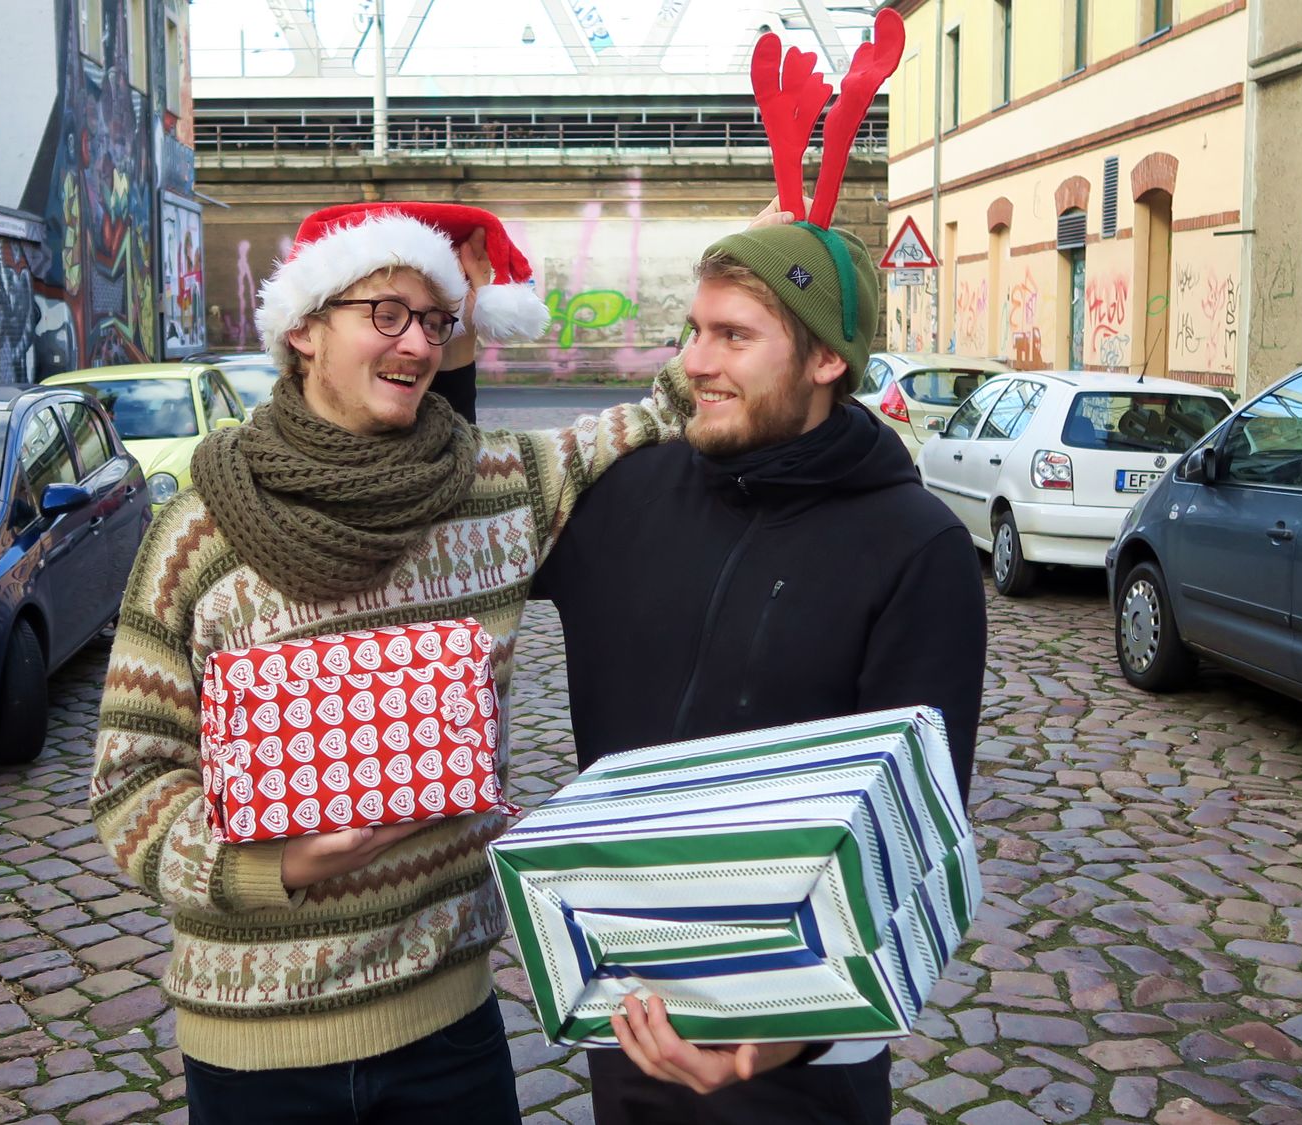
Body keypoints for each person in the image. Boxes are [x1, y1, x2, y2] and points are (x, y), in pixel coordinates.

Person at [89, 200, 696, 1125]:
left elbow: (660, 413)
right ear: (302, 327)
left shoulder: (492, 490)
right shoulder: (199, 535)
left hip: (447, 1026)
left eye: (435, 319)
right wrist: (274, 868)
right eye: (386, 313)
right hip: (258, 1043)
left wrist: (749, 265)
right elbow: (130, 787)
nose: (416, 344)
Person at [531, 213, 989, 1125]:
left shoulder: (916, 546)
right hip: (632, 1008)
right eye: (694, 331)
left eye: (734, 336)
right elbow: (449, 514)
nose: (695, 363)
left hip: (801, 1053)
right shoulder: (622, 497)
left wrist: (792, 1036)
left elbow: (913, 832)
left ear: (826, 360)